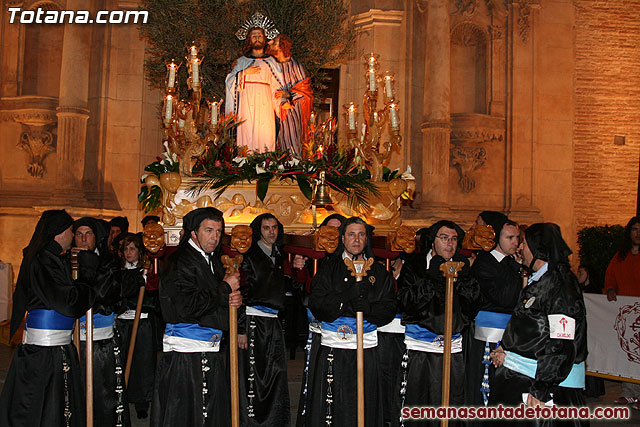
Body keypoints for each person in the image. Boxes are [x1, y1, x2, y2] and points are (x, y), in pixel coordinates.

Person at [0, 210, 99, 426]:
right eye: (71, 231)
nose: (73, 236)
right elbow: (69, 303)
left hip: (56, 348)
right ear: (59, 233)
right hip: (44, 352)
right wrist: (88, 274)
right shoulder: (44, 260)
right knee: (42, 409)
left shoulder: (51, 258)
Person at [489, 223, 588, 427]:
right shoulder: (543, 280)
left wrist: (541, 388)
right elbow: (533, 328)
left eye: (523, 242)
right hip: (523, 379)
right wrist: (508, 348)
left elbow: (561, 341)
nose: (520, 248)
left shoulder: (560, 286)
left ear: (537, 247)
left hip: (544, 387)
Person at [152, 207, 242, 427]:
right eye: (209, 230)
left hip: (209, 348)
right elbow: (184, 307)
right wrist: (223, 289)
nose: (215, 237)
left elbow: (214, 299)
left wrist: (233, 301)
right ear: (193, 233)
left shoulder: (211, 260)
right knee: (187, 414)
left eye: (219, 231)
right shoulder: (179, 261)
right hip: (186, 354)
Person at [307, 216, 396, 427]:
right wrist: (346, 297)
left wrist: (370, 309)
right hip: (335, 349)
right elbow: (317, 304)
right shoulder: (328, 269)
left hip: (367, 350)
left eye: (361, 234)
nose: (356, 239)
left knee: (365, 401)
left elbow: (390, 307)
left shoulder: (379, 272)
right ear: (343, 238)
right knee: (335, 401)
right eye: (351, 234)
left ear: (367, 239)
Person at [395, 220, 480, 426]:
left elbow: (473, 305)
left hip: (451, 346)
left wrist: (463, 279)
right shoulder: (415, 266)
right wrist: (432, 277)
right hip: (420, 347)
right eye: (444, 238)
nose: (449, 243)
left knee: (450, 402)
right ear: (432, 242)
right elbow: (406, 303)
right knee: (419, 403)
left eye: (453, 239)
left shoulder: (462, 266)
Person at [238, 213, 306, 426]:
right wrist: (240, 329)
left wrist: (298, 269)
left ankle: (273, 420)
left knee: (274, 374)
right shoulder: (247, 255)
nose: (271, 232)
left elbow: (294, 288)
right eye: (266, 227)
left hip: (273, 323)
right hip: (252, 323)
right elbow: (240, 292)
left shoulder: (280, 255)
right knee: (254, 375)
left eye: (274, 227)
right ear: (259, 230)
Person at [74, 216, 131, 427]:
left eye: (88, 234)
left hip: (101, 340)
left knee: (104, 393)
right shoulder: (65, 261)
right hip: (74, 339)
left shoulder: (108, 261)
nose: (83, 239)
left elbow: (105, 295)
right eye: (79, 234)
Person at [466, 216, 522, 407]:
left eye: (517, 238)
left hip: (512, 334)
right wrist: (515, 268)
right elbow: (504, 298)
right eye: (510, 238)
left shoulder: (514, 263)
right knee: (488, 383)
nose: (515, 242)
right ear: (497, 238)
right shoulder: (485, 262)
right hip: (489, 335)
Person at [296, 213, 345, 427]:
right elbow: (303, 291)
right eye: (328, 230)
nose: (332, 235)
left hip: (344, 332)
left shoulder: (352, 259)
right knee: (317, 379)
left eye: (337, 230)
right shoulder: (315, 259)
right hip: (318, 330)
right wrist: (299, 270)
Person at [115, 233, 159, 419]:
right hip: (123, 322)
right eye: (125, 249)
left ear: (139, 251)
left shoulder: (146, 271)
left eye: (132, 248)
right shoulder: (118, 272)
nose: (128, 252)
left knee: (142, 364)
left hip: (141, 323)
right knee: (122, 361)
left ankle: (142, 401)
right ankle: (121, 397)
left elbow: (153, 299)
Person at [225, 16, 284, 153]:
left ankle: (265, 163)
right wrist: (243, 73)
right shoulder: (241, 62)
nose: (257, 38)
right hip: (246, 105)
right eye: (253, 36)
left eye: (259, 35)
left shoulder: (272, 62)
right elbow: (229, 81)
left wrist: (284, 97)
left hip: (265, 106)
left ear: (264, 38)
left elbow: (278, 86)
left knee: (265, 134)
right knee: (246, 132)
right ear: (249, 40)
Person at [604, 216, 640, 409]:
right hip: (627, 317)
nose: (638, 233)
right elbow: (610, 278)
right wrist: (610, 289)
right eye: (635, 229)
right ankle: (629, 394)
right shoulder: (620, 257)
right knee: (628, 354)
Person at [266, 33, 313, 155]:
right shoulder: (273, 65)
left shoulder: (295, 66)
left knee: (291, 141)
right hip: (274, 110)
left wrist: (289, 94)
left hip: (293, 111)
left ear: (282, 47)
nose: (272, 46)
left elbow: (305, 90)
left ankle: (293, 167)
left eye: (275, 43)